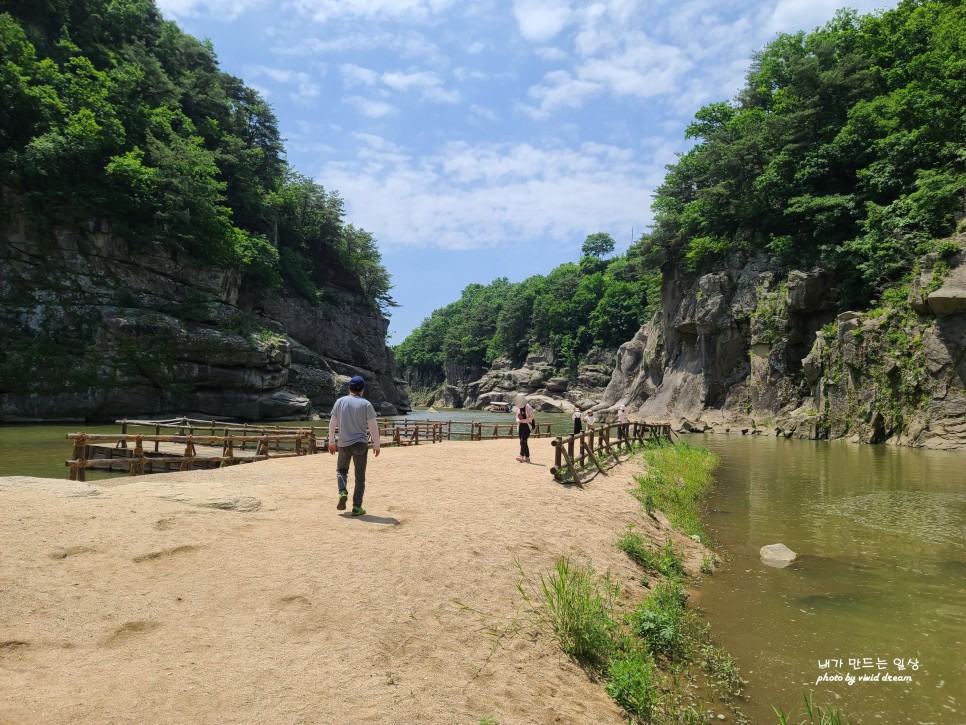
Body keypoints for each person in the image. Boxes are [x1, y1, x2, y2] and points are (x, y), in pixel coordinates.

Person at [328, 375, 381, 516]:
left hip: (343, 444)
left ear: (349, 388)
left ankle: (342, 491)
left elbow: (332, 423)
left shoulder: (340, 402)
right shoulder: (366, 404)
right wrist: (376, 445)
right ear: (362, 389)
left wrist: (331, 442)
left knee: (341, 470)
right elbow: (373, 426)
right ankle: (357, 507)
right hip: (360, 444)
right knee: (360, 477)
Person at [514, 392, 534, 463]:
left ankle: (521, 455)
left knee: (523, 441)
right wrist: (518, 420)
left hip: (527, 426)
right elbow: (516, 416)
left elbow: (531, 417)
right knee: (522, 442)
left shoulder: (528, 407)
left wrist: (523, 420)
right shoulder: (518, 407)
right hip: (520, 426)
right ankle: (526, 457)